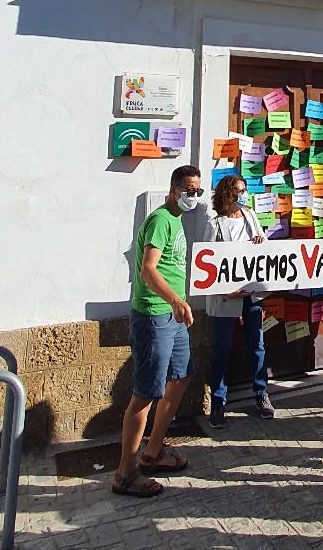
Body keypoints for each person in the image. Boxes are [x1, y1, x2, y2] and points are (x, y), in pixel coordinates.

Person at [112, 165, 201, 498]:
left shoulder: (177, 219)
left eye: (198, 191)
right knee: (147, 392)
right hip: (154, 315)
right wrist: (176, 300)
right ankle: (125, 473)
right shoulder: (162, 220)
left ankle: (153, 453)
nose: (193, 196)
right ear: (173, 188)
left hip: (173, 316)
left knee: (181, 377)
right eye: (188, 190)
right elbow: (149, 269)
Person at [203, 174, 274, 429]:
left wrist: (260, 241)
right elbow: (206, 263)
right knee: (222, 348)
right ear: (226, 194)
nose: (242, 196)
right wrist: (224, 292)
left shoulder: (251, 216)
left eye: (244, 191)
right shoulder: (215, 223)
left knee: (257, 344)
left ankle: (261, 393)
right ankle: (218, 400)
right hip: (226, 298)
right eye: (237, 191)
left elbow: (262, 250)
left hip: (251, 294)